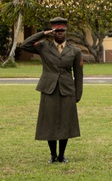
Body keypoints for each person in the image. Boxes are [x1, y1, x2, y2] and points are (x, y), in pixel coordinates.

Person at [17, 17, 83, 164]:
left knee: (66, 121)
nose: (60, 34)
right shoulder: (43, 46)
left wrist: (78, 94)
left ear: (66, 32)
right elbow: (25, 45)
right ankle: (53, 155)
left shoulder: (75, 50)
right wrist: (42, 33)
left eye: (62, 31)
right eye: (57, 31)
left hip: (67, 89)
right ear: (52, 33)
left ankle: (62, 155)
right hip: (49, 89)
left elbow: (79, 74)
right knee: (49, 122)